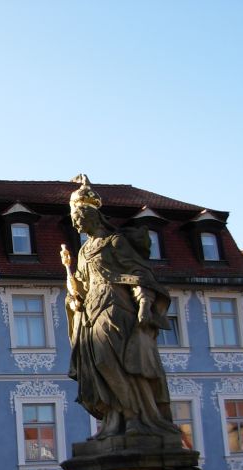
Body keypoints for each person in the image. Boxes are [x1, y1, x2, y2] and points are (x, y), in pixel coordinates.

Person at [61, 175, 179, 439]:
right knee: (97, 367)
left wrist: (144, 306)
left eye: (80, 219)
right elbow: (79, 288)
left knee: (118, 362)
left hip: (115, 307)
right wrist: (70, 280)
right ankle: (115, 419)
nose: (77, 225)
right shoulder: (82, 252)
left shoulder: (113, 242)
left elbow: (138, 275)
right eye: (75, 221)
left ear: (91, 216)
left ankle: (135, 416)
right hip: (91, 312)